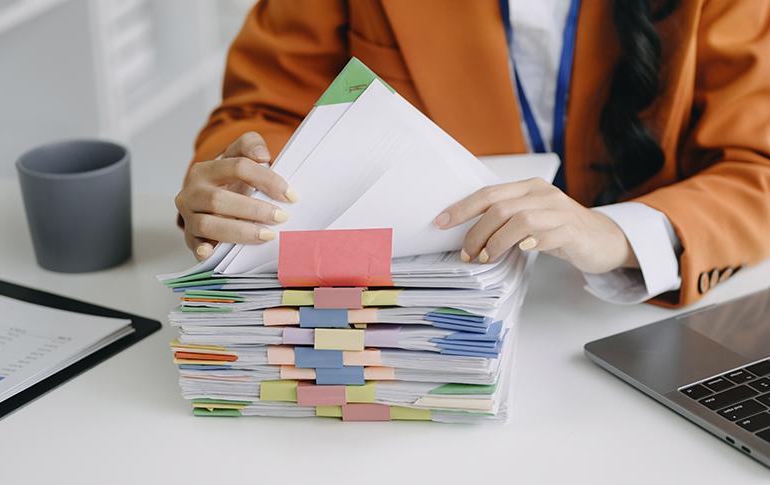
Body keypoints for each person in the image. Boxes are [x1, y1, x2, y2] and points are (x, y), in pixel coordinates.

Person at [174, 0, 770, 307]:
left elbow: (757, 165)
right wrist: (243, 188)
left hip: (625, 312)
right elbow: (266, 110)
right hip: (411, 310)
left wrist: (616, 236)